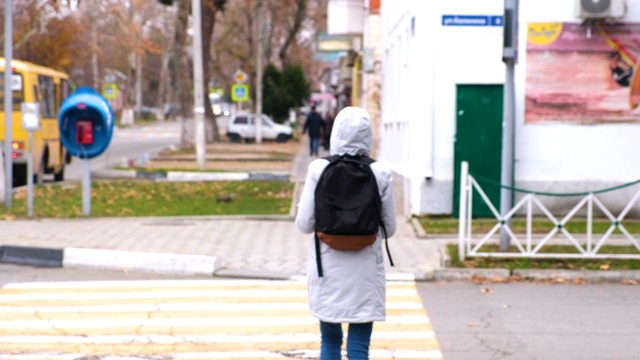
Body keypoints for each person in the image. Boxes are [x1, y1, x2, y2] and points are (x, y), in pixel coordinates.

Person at [295, 106, 397, 360]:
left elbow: (305, 224)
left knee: (329, 340)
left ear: (336, 133)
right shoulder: (381, 172)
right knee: (359, 346)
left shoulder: (318, 168)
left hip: (327, 269)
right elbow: (390, 228)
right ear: (368, 135)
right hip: (365, 272)